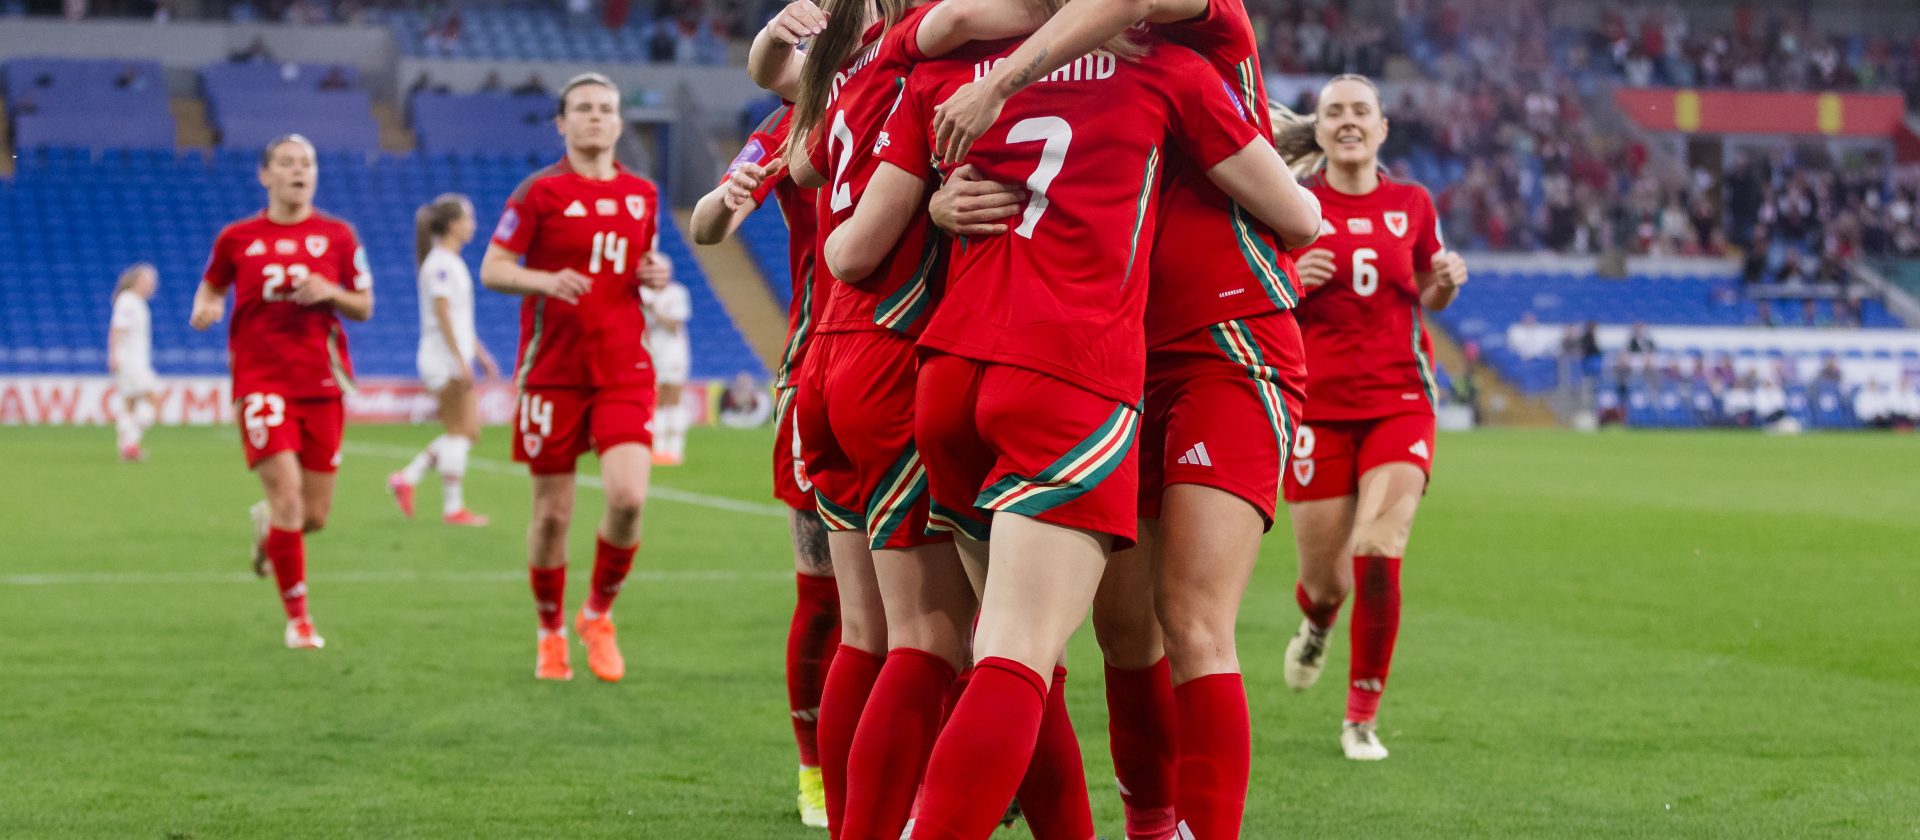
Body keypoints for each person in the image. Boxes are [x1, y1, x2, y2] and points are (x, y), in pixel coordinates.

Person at [826, 11, 1320, 837]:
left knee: (1178, 619)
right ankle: (1141, 821)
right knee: (1090, 636)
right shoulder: (1158, 70)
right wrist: (943, 199)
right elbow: (1302, 219)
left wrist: (982, 78)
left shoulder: (971, 71)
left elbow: (843, 181)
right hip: (1088, 363)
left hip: (1212, 342)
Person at [1275, 74, 1468, 762]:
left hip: (1400, 401)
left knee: (1380, 549)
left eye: (1362, 111)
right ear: (1320, 129)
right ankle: (1318, 622)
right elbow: (1254, 291)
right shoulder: (1290, 204)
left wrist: (1443, 284)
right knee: (1326, 583)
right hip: (1316, 408)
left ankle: (1361, 717)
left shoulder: (1412, 203)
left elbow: (1426, 294)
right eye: (1336, 112)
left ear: (1383, 128)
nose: (1349, 121)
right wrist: (1292, 281)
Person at [479, 73, 661, 683]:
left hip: (622, 367)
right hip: (552, 372)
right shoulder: (540, 192)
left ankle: (597, 615)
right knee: (552, 515)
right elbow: (494, 268)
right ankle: (550, 632)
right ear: (561, 122)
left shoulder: (642, 194)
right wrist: (543, 279)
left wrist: (653, 273)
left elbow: (638, 264)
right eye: (583, 108)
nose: (596, 117)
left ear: (619, 122)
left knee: (628, 500)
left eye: (606, 108)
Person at [688, 100, 840, 830]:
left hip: (931, 365)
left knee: (941, 597)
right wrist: (729, 196)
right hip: (821, 371)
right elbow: (708, 224)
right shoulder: (792, 122)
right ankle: (815, 768)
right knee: (826, 592)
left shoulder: (942, 89)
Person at [189, 133, 375, 650]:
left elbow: (364, 306)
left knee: (312, 515)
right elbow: (212, 284)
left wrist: (331, 291)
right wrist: (206, 306)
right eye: (288, 163)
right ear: (265, 175)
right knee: (288, 498)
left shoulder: (338, 235)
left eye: (307, 163)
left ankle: (267, 530)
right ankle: (300, 621)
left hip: (322, 382)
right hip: (261, 381)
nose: (299, 171)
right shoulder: (237, 237)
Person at [387, 194, 499, 527]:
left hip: (452, 356)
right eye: (468, 218)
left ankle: (407, 478)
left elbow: (459, 319)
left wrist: (479, 354)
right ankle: (453, 508)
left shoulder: (450, 262)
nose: (473, 225)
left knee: (466, 431)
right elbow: (442, 312)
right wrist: (460, 360)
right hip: (443, 359)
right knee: (460, 432)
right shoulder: (440, 265)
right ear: (453, 225)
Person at [640, 251, 693, 465]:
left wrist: (655, 310)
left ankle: (675, 448)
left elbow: (675, 323)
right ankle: (658, 447)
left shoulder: (677, 293)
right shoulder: (642, 293)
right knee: (656, 400)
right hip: (651, 351)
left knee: (673, 398)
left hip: (673, 353)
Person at [108, 262, 160, 462]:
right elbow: (117, 329)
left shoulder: (137, 302)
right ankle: (131, 442)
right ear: (138, 281)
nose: (153, 286)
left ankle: (126, 446)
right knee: (153, 399)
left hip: (136, 360)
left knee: (130, 402)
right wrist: (114, 355)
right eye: (149, 282)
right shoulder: (128, 301)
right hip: (130, 361)